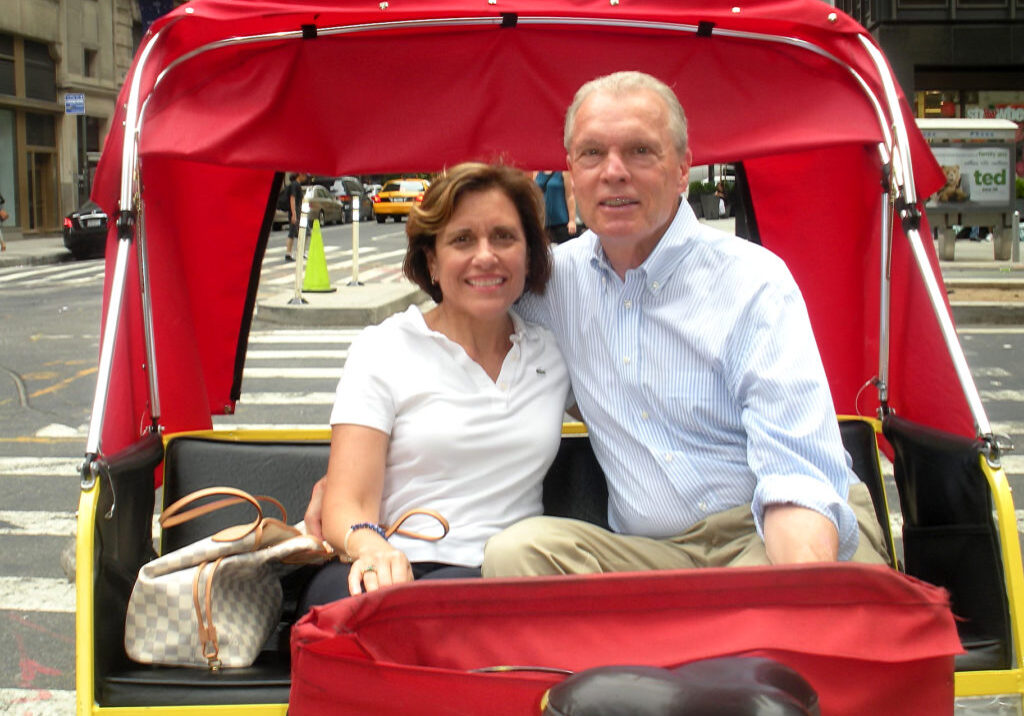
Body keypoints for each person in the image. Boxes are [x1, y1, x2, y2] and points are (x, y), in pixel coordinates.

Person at [479, 71, 889, 576]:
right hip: (650, 553)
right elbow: (459, 323)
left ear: (682, 169)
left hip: (766, 532)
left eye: (640, 152)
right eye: (592, 154)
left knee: (763, 614)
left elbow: (796, 480)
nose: (613, 172)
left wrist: (795, 594)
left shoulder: (752, 281)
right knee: (516, 554)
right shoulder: (550, 283)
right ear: (571, 171)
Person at [298, 162, 569, 609]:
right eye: (462, 239)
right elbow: (347, 501)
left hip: (509, 576)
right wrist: (371, 547)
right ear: (432, 262)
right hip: (402, 570)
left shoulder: (552, 354)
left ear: (529, 255)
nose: (486, 256)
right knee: (357, 608)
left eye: (504, 237)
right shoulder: (383, 348)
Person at [533, 170, 577, 244]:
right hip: (543, 224)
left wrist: (572, 220)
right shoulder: (537, 172)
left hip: (561, 222)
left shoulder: (564, 172)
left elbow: (570, 196)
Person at [285, 172, 308, 262]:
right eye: (305, 175)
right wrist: (294, 214)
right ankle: (290, 253)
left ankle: (296, 252)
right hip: (296, 213)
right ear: (300, 175)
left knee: (298, 232)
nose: (306, 177)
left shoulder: (296, 185)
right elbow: (292, 198)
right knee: (300, 232)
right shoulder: (295, 185)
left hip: (298, 212)